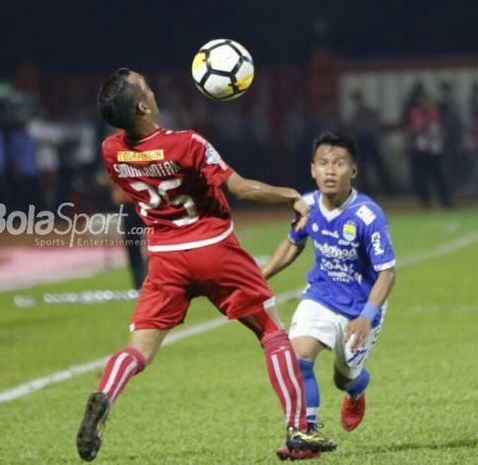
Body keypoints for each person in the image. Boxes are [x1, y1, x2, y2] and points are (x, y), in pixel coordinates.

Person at [76, 68, 337, 462]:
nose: (152, 87)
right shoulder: (187, 144)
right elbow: (240, 187)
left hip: (164, 259)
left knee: (139, 349)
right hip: (214, 248)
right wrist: (290, 195)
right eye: (146, 86)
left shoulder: (111, 150)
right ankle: (299, 429)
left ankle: (104, 395)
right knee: (271, 332)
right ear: (144, 105)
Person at [262, 131, 396, 435]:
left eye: (338, 163)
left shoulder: (368, 215)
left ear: (353, 170)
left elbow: (387, 273)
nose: (330, 170)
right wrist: (260, 277)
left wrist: (366, 317)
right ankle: (305, 434)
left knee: (343, 378)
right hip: (320, 296)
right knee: (298, 360)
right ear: (313, 169)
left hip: (362, 307)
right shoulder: (307, 205)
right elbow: (293, 243)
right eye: (323, 163)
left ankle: (356, 390)